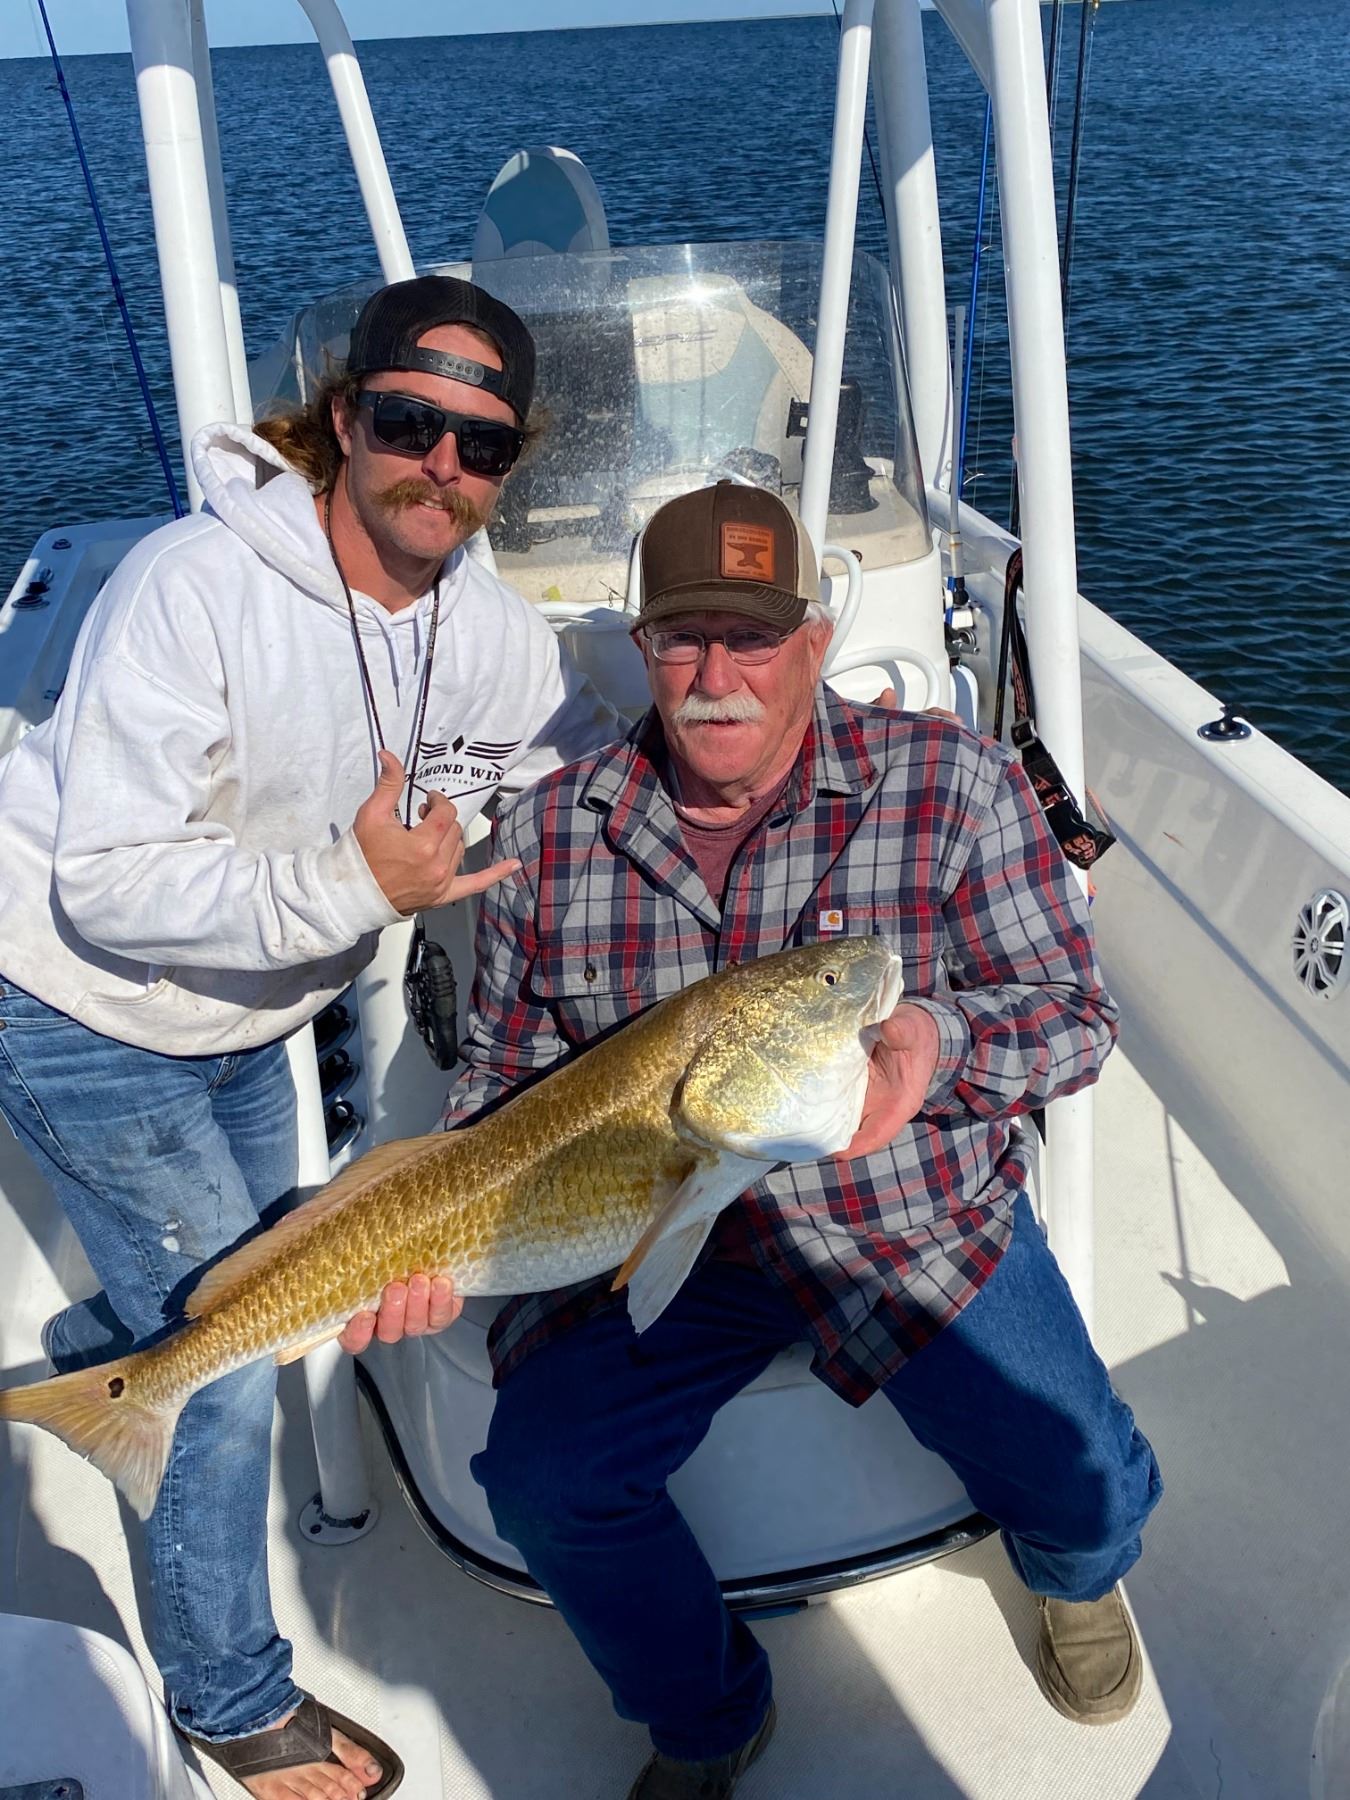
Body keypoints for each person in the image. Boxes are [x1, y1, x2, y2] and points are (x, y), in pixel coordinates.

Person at [422, 481, 1161, 1799]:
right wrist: (435, 1239)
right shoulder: (549, 831)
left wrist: (938, 1046)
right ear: (642, 648)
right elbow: (502, 1080)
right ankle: (706, 1716)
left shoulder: (954, 783)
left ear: (814, 642)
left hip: (902, 1216)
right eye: (682, 638)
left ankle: (1073, 1574)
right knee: (542, 1481)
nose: (716, 678)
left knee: (1084, 1477)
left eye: (753, 638)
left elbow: (1072, 1017)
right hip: (654, 1226)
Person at [0, 274, 620, 1800]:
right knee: (221, 1368)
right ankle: (229, 1702)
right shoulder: (192, 587)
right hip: (81, 1002)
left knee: (256, 1271)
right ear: (344, 420)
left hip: (253, 1010)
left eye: (482, 446)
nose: (441, 467)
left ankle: (115, 1333)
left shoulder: (485, 630)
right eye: (408, 423)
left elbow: (583, 765)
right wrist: (353, 889)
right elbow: (105, 881)